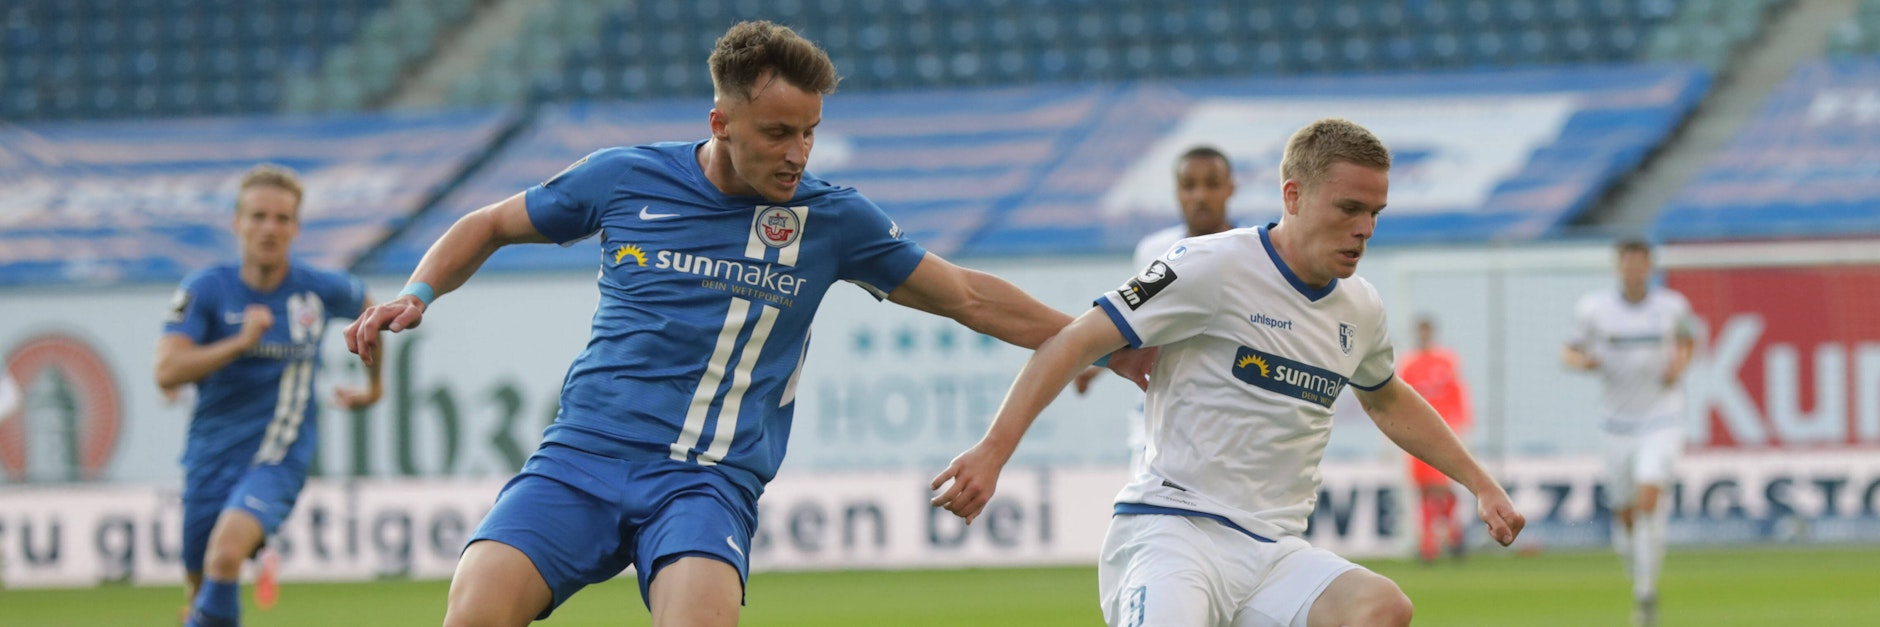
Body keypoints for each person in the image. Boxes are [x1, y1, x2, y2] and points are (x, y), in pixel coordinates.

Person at [343, 21, 1146, 627]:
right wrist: (419, 290)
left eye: (809, 132)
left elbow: (969, 295)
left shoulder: (834, 221)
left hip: (705, 480)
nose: (798, 153)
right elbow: (487, 223)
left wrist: (1101, 341)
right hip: (580, 459)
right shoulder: (625, 178)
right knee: (471, 616)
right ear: (722, 123)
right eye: (777, 133)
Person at [931, 118, 1525, 627]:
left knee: (1380, 608)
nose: (1365, 228)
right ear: (1292, 196)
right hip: (1174, 531)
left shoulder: (1360, 306)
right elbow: (1073, 341)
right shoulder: (1207, 266)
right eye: (1349, 208)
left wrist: (1479, 482)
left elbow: (1388, 399)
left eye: (1375, 212)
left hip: (1273, 553)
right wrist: (993, 450)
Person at [155, 165, 383, 627]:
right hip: (208, 456)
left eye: (281, 219)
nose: (269, 228)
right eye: (258, 216)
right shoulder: (206, 290)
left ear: (296, 228)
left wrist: (374, 388)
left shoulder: (317, 289)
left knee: (225, 557)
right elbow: (166, 371)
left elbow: (372, 312)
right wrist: (239, 342)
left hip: (279, 455)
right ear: (237, 223)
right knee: (201, 591)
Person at [1072, 145, 1239, 469]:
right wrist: (1095, 361)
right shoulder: (1155, 250)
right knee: (1144, 509)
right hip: (1159, 415)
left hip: (1226, 418)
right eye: (1189, 185)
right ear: (1176, 192)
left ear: (1230, 188)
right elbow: (1137, 323)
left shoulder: (1252, 254)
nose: (1200, 196)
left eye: (1212, 184)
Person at [1562, 238, 1695, 627]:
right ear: (1618, 267)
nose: (1634, 270)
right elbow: (1568, 352)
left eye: (1641, 263)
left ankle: (1645, 593)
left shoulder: (1671, 306)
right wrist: (1584, 362)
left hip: (1663, 417)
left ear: (1649, 266)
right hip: (1616, 424)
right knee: (1625, 515)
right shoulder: (1594, 310)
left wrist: (1678, 366)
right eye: (1628, 263)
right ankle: (1638, 570)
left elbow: (1688, 339)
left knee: (1648, 499)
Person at [1397, 315, 1474, 564]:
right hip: (1416, 433)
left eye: (1427, 331)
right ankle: (1431, 542)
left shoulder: (1446, 360)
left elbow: (1458, 392)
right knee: (1424, 490)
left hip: (1444, 431)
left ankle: (1450, 536)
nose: (1424, 336)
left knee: (1442, 486)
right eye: (1420, 332)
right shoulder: (1408, 364)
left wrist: (1462, 425)